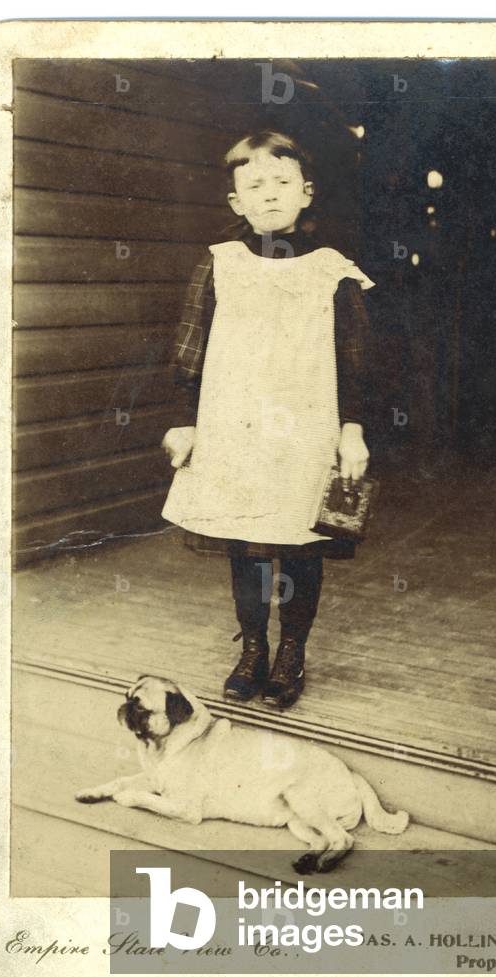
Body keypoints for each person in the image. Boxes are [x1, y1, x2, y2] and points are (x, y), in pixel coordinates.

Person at [161, 130, 374, 711]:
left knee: (299, 546)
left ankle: (292, 652)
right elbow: (190, 348)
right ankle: (253, 647)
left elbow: (356, 360)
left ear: (306, 193)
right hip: (235, 428)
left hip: (306, 432)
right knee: (248, 545)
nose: (270, 195)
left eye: (282, 183)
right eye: (254, 185)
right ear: (236, 201)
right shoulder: (219, 263)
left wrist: (351, 429)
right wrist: (185, 421)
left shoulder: (333, 271)